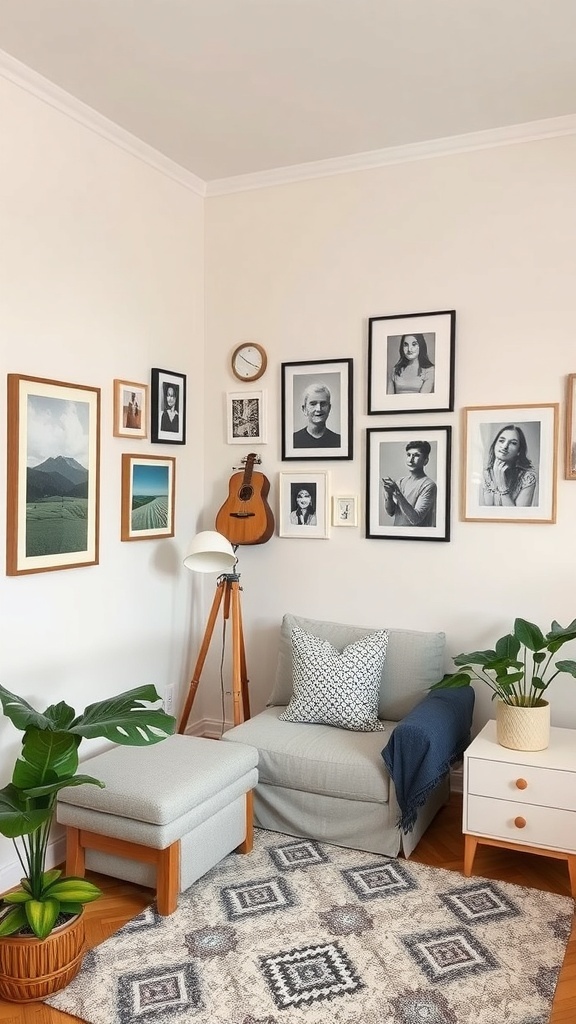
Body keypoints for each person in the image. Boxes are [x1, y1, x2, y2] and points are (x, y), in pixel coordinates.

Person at [382, 440, 437, 527]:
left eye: (416, 456)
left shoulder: (429, 485)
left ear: (425, 460)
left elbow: (416, 519)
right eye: (408, 455)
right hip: (396, 536)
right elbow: (391, 512)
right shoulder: (400, 482)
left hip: (418, 537)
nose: (411, 460)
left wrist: (397, 492)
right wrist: (388, 494)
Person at [480, 425, 537, 507]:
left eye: (513, 443)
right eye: (501, 441)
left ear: (519, 451)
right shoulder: (485, 475)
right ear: (494, 445)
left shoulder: (528, 478)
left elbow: (519, 517)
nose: (504, 446)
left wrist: (502, 487)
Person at [293, 383, 341, 448]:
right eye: (313, 404)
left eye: (323, 404)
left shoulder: (339, 441)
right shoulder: (293, 440)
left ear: (329, 408)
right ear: (304, 409)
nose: (318, 409)